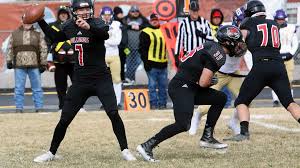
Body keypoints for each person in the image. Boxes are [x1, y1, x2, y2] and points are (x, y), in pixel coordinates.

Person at [33, 0, 136, 162]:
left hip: (101, 78)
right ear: (74, 11)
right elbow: (55, 37)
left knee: (113, 113)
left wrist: (89, 28)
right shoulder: (69, 26)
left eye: (87, 8)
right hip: (80, 80)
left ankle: (125, 149)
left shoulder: (97, 22)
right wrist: (40, 20)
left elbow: (104, 34)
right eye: (81, 10)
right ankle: (51, 152)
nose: (85, 12)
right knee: (65, 118)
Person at [137, 25, 247, 162]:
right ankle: (147, 145)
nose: (239, 45)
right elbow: (203, 83)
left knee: (220, 98)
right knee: (183, 124)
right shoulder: (218, 55)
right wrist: (210, 81)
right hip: (182, 87)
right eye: (236, 42)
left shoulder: (211, 46)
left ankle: (207, 137)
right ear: (227, 42)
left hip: (188, 85)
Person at [224, 0, 300, 142]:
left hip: (261, 66)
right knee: (289, 102)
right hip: (279, 66)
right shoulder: (274, 24)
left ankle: (244, 133)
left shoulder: (249, 23)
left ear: (250, 12)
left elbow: (239, 39)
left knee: (241, 100)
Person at [189, 6, 247, 135]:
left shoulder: (247, 33)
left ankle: (233, 122)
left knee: (245, 99)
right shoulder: (226, 31)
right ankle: (196, 117)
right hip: (219, 73)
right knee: (206, 104)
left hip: (234, 73)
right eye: (245, 20)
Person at [6, 15, 48, 113]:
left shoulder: (38, 34)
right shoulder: (14, 34)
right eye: (25, 20)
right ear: (22, 20)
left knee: (37, 88)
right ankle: (19, 108)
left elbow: (43, 49)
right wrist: (9, 61)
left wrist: (43, 63)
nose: (27, 22)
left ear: (32, 21)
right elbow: (9, 48)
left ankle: (39, 107)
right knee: (19, 88)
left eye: (29, 20)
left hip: (35, 66)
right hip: (19, 66)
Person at [47, 6, 77, 112]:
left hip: (73, 60)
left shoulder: (74, 25)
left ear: (68, 14)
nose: (63, 15)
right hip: (59, 61)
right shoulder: (52, 26)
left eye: (65, 13)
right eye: (61, 13)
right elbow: (47, 42)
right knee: (60, 86)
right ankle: (62, 106)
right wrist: (48, 60)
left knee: (77, 85)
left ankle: (79, 106)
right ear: (58, 15)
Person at [139, 13, 168, 109]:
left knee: (163, 86)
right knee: (152, 86)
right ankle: (154, 104)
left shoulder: (164, 30)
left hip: (163, 63)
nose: (154, 21)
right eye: (153, 20)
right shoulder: (145, 32)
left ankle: (163, 104)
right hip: (151, 64)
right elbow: (142, 49)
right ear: (150, 21)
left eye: (156, 19)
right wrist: (146, 63)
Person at [271, 9, 298, 107]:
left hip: (288, 57)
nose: (281, 21)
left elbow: (295, 43)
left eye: (282, 19)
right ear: (275, 19)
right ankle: (275, 100)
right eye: (278, 19)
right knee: (274, 80)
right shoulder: (272, 28)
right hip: (276, 57)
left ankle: (290, 100)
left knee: (289, 80)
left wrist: (291, 53)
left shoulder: (291, 28)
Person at [174, 1, 213, 67]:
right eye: (193, 11)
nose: (195, 13)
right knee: (189, 76)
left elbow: (211, 40)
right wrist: (176, 56)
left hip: (202, 55)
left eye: (196, 11)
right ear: (189, 11)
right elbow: (179, 40)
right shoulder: (183, 23)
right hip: (188, 56)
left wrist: (202, 35)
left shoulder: (205, 22)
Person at [100, 6, 122, 108]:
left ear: (112, 15)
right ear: (101, 15)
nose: (107, 17)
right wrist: (108, 41)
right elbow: (98, 41)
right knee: (102, 81)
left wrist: (105, 41)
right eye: (105, 15)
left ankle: (117, 102)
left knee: (116, 79)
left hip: (114, 55)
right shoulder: (98, 24)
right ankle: (104, 103)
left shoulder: (116, 25)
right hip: (102, 56)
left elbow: (117, 41)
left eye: (109, 15)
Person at [122, 5, 149, 84]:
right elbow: (121, 26)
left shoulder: (142, 19)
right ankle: (129, 79)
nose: (135, 13)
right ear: (130, 12)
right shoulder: (125, 19)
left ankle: (130, 78)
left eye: (137, 11)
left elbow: (148, 25)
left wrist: (140, 27)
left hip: (139, 46)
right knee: (128, 63)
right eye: (133, 11)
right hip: (128, 46)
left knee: (137, 62)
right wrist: (130, 27)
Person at [113, 6, 127, 82]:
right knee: (118, 65)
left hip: (122, 47)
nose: (121, 15)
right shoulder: (115, 23)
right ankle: (119, 79)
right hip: (117, 47)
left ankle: (122, 78)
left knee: (122, 64)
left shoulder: (122, 22)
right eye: (120, 13)